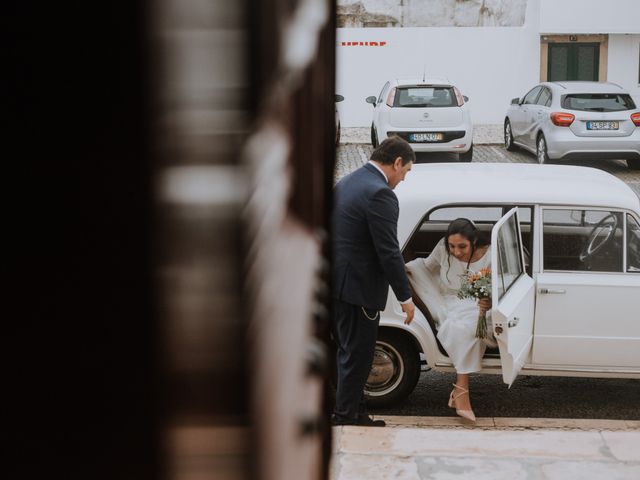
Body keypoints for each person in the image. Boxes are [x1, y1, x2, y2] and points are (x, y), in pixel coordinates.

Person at [332, 136, 416, 427]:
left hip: (336, 283)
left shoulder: (348, 181)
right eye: (405, 172)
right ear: (396, 163)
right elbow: (388, 251)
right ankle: (346, 416)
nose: (402, 179)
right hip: (358, 288)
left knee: (346, 352)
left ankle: (352, 411)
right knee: (357, 355)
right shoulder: (380, 193)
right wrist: (405, 297)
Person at [405, 218, 493, 422]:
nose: (456, 252)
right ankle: (461, 392)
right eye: (452, 246)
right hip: (447, 297)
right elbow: (426, 267)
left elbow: (500, 285)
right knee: (458, 326)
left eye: (462, 246)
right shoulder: (443, 249)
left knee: (469, 327)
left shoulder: (489, 254)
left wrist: (487, 301)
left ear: (474, 241)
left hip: (477, 302)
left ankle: (460, 390)